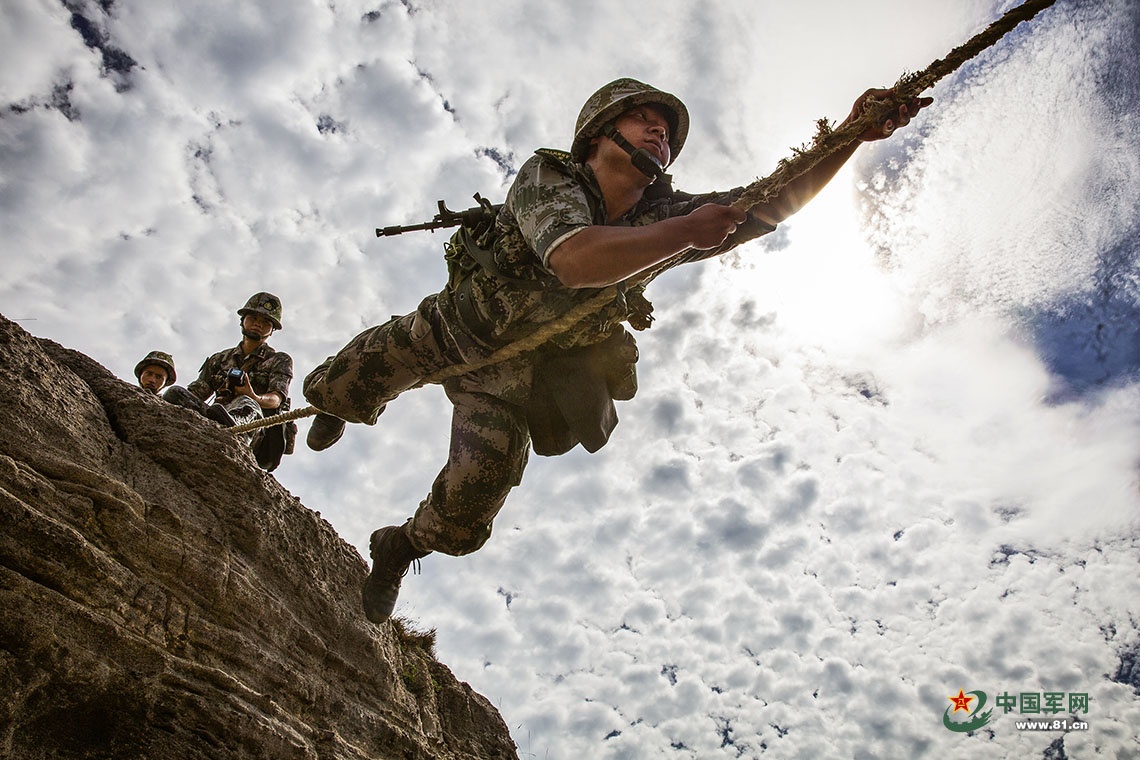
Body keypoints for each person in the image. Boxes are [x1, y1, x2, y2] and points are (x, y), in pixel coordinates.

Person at [302, 78, 931, 623]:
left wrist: (849, 134)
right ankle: (338, 403)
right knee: (354, 375)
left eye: (666, 131)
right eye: (643, 120)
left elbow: (770, 203)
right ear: (600, 132)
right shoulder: (549, 175)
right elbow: (573, 259)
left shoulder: (661, 213)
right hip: (456, 330)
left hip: (515, 378)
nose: (659, 133)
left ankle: (400, 547)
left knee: (474, 502)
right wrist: (685, 233)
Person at [164, 292, 296, 471]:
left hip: (260, 436)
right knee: (175, 393)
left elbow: (276, 398)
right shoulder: (220, 359)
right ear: (242, 320)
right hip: (215, 418)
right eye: (253, 318)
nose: (258, 324)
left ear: (272, 330)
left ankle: (231, 431)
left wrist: (253, 396)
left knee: (246, 402)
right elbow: (197, 392)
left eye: (266, 322)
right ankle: (218, 423)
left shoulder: (279, 360)